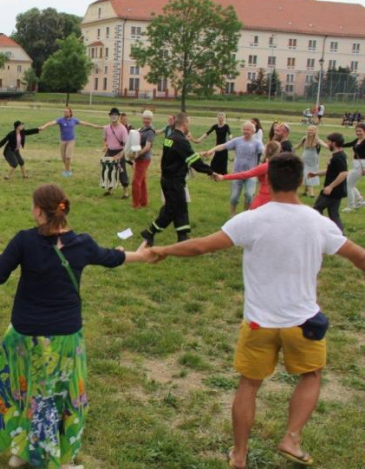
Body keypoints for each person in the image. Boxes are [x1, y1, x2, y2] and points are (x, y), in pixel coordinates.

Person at [149, 153, 365, 469]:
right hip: (303, 324)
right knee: (311, 375)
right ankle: (291, 437)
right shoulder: (319, 223)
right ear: (302, 180)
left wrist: (164, 249)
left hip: (257, 324)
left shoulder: (252, 220)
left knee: (249, 384)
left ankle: (239, 454)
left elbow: (201, 246)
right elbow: (359, 256)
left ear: (268, 180)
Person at [0, 184, 153, 469]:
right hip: (63, 340)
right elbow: (111, 257)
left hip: (24, 337)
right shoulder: (82, 243)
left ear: (39, 210)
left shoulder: (24, 241)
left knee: (27, 393)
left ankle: (23, 451)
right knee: (52, 399)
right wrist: (141, 255)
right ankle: (49, 460)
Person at [140, 112, 214, 245]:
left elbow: (174, 156)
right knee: (171, 209)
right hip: (174, 180)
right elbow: (194, 161)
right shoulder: (181, 140)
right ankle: (150, 232)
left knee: (181, 206)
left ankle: (182, 236)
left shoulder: (169, 138)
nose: (189, 125)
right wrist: (210, 172)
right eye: (189, 122)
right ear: (185, 123)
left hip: (169, 178)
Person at [203, 121, 264, 215]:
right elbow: (223, 146)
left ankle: (246, 215)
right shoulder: (237, 141)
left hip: (250, 174)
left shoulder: (257, 143)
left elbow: (263, 151)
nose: (246, 131)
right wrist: (212, 150)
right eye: (244, 129)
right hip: (237, 174)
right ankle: (232, 215)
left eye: (248, 129)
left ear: (253, 131)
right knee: (234, 197)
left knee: (249, 195)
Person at [214, 141, 281, 210]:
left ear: (266, 151)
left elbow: (245, 174)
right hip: (278, 199)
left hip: (264, 198)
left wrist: (224, 177)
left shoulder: (265, 167)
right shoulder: (282, 166)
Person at [39, 107, 102, 177]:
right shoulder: (60, 120)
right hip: (63, 141)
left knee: (68, 157)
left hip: (71, 141)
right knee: (63, 159)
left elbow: (84, 123)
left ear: (70, 113)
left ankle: (67, 172)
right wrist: (44, 126)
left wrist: (94, 126)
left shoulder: (74, 120)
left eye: (67, 112)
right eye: (64, 112)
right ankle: (67, 169)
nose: (65, 113)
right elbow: (51, 122)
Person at [309, 133, 348, 232]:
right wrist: (316, 174)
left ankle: (322, 230)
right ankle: (340, 234)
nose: (327, 143)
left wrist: (330, 186)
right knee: (333, 213)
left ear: (334, 143)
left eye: (329, 142)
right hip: (336, 190)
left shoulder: (338, 157)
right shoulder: (337, 155)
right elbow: (331, 171)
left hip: (332, 191)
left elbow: (343, 173)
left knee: (317, 208)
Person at [102, 108, 130, 198]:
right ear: (110, 116)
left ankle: (126, 192)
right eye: (112, 115)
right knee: (109, 171)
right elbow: (105, 139)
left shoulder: (123, 129)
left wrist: (121, 155)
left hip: (120, 151)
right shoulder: (107, 128)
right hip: (110, 151)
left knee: (122, 171)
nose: (113, 116)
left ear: (118, 116)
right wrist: (105, 146)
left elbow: (126, 145)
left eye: (115, 115)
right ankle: (109, 190)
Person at [132, 110, 156, 208]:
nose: (146, 120)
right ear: (142, 119)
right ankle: (144, 202)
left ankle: (136, 204)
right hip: (139, 157)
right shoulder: (142, 128)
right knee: (142, 181)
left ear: (151, 120)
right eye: (145, 118)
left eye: (148, 119)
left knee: (136, 182)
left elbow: (147, 147)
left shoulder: (150, 131)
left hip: (144, 159)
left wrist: (137, 154)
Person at [296, 126, 327, 198]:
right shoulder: (304, 138)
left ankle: (307, 192)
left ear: (315, 131)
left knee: (310, 174)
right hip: (305, 158)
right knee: (305, 173)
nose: (310, 132)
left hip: (313, 160)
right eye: (309, 130)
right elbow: (298, 145)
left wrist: (332, 146)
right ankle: (311, 194)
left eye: (312, 130)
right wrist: (292, 149)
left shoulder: (317, 140)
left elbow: (325, 145)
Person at [341, 123, 365, 212]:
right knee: (350, 183)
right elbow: (349, 144)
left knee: (348, 185)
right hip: (356, 164)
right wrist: (337, 144)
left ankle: (351, 206)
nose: (358, 133)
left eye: (360, 131)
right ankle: (359, 199)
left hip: (362, 164)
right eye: (357, 131)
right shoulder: (357, 140)